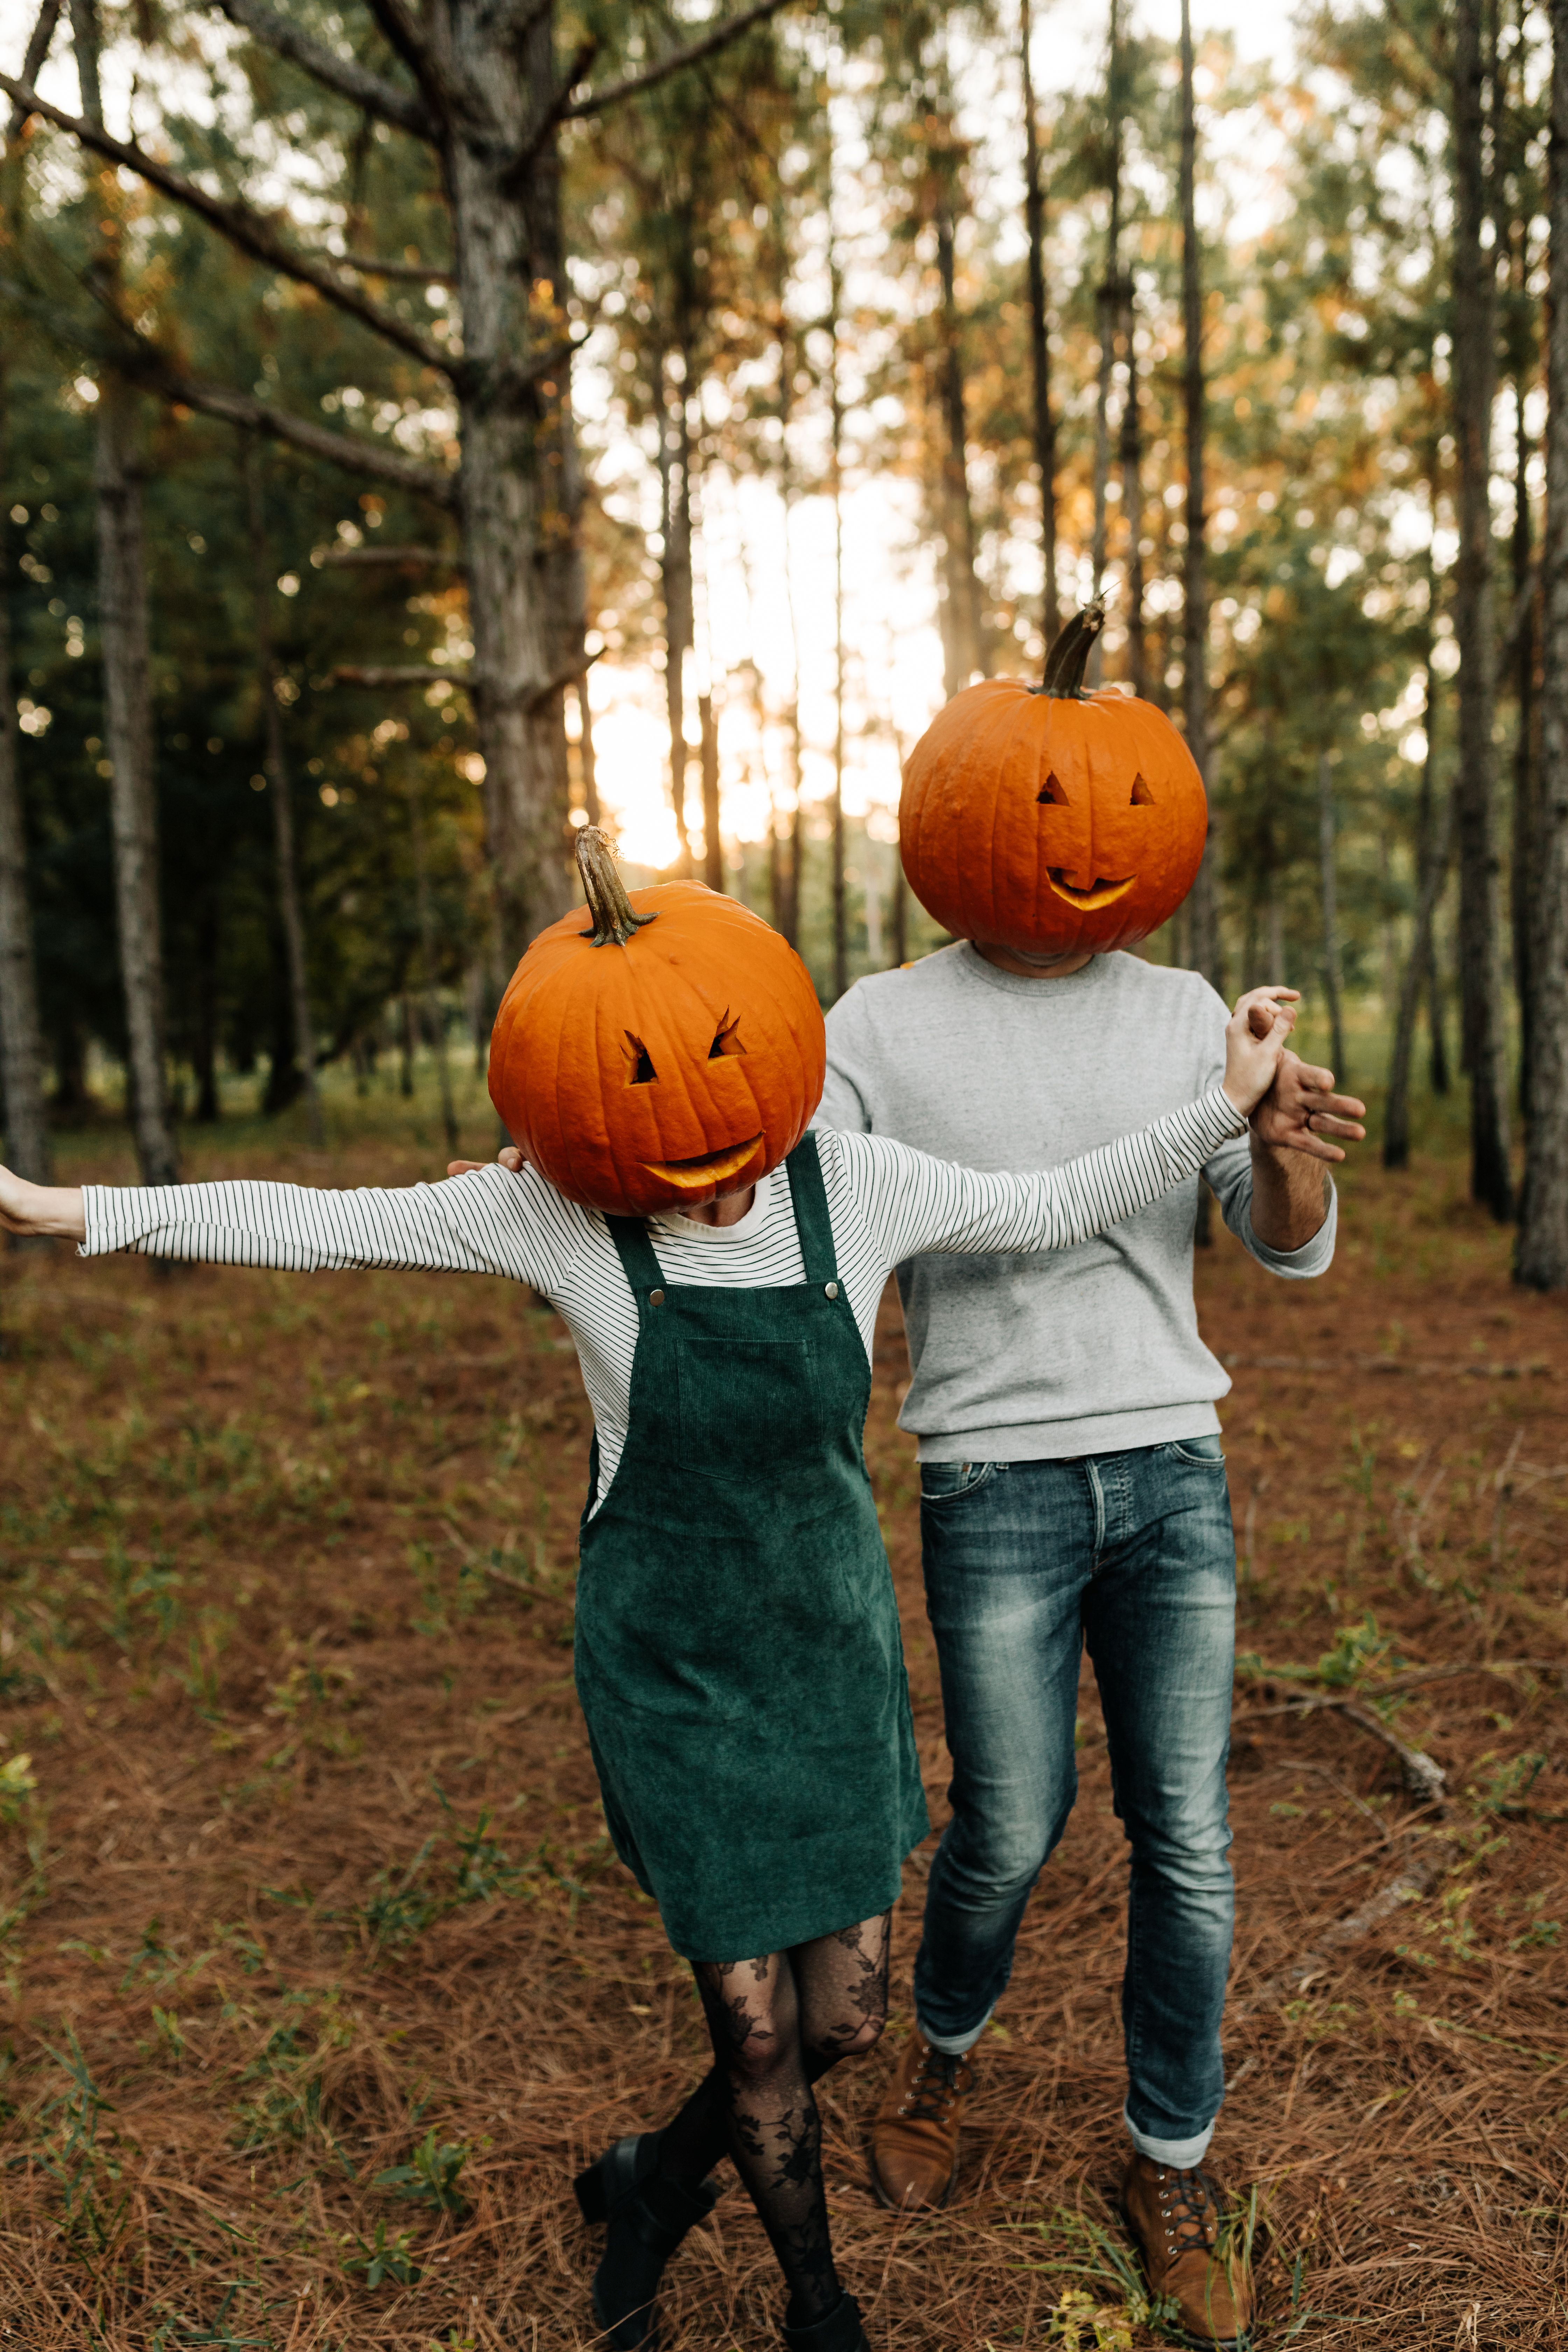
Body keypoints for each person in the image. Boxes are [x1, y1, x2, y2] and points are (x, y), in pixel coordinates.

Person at [0, 983, 1294, 2352]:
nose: (687, 1116)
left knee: (841, 2027)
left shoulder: (849, 1183)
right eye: (633, 1084)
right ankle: (821, 2307)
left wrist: (1225, 1100)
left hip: (826, 1665)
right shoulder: (556, 1211)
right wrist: (50, 1208)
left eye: (718, 1067)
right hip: (674, 1679)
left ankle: (655, 2181)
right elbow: (321, 1225)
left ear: (775, 1064)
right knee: (753, 2041)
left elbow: (1047, 1205)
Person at [816, 934, 1365, 2347]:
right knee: (1007, 1819)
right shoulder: (876, 1024)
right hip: (992, 1476)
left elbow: (1286, 1239)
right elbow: (770, 1201)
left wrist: (1280, 1142)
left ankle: (1169, 2162)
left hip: (1171, 1467)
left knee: (1185, 1830)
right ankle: (938, 2059)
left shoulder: (1183, 1010)